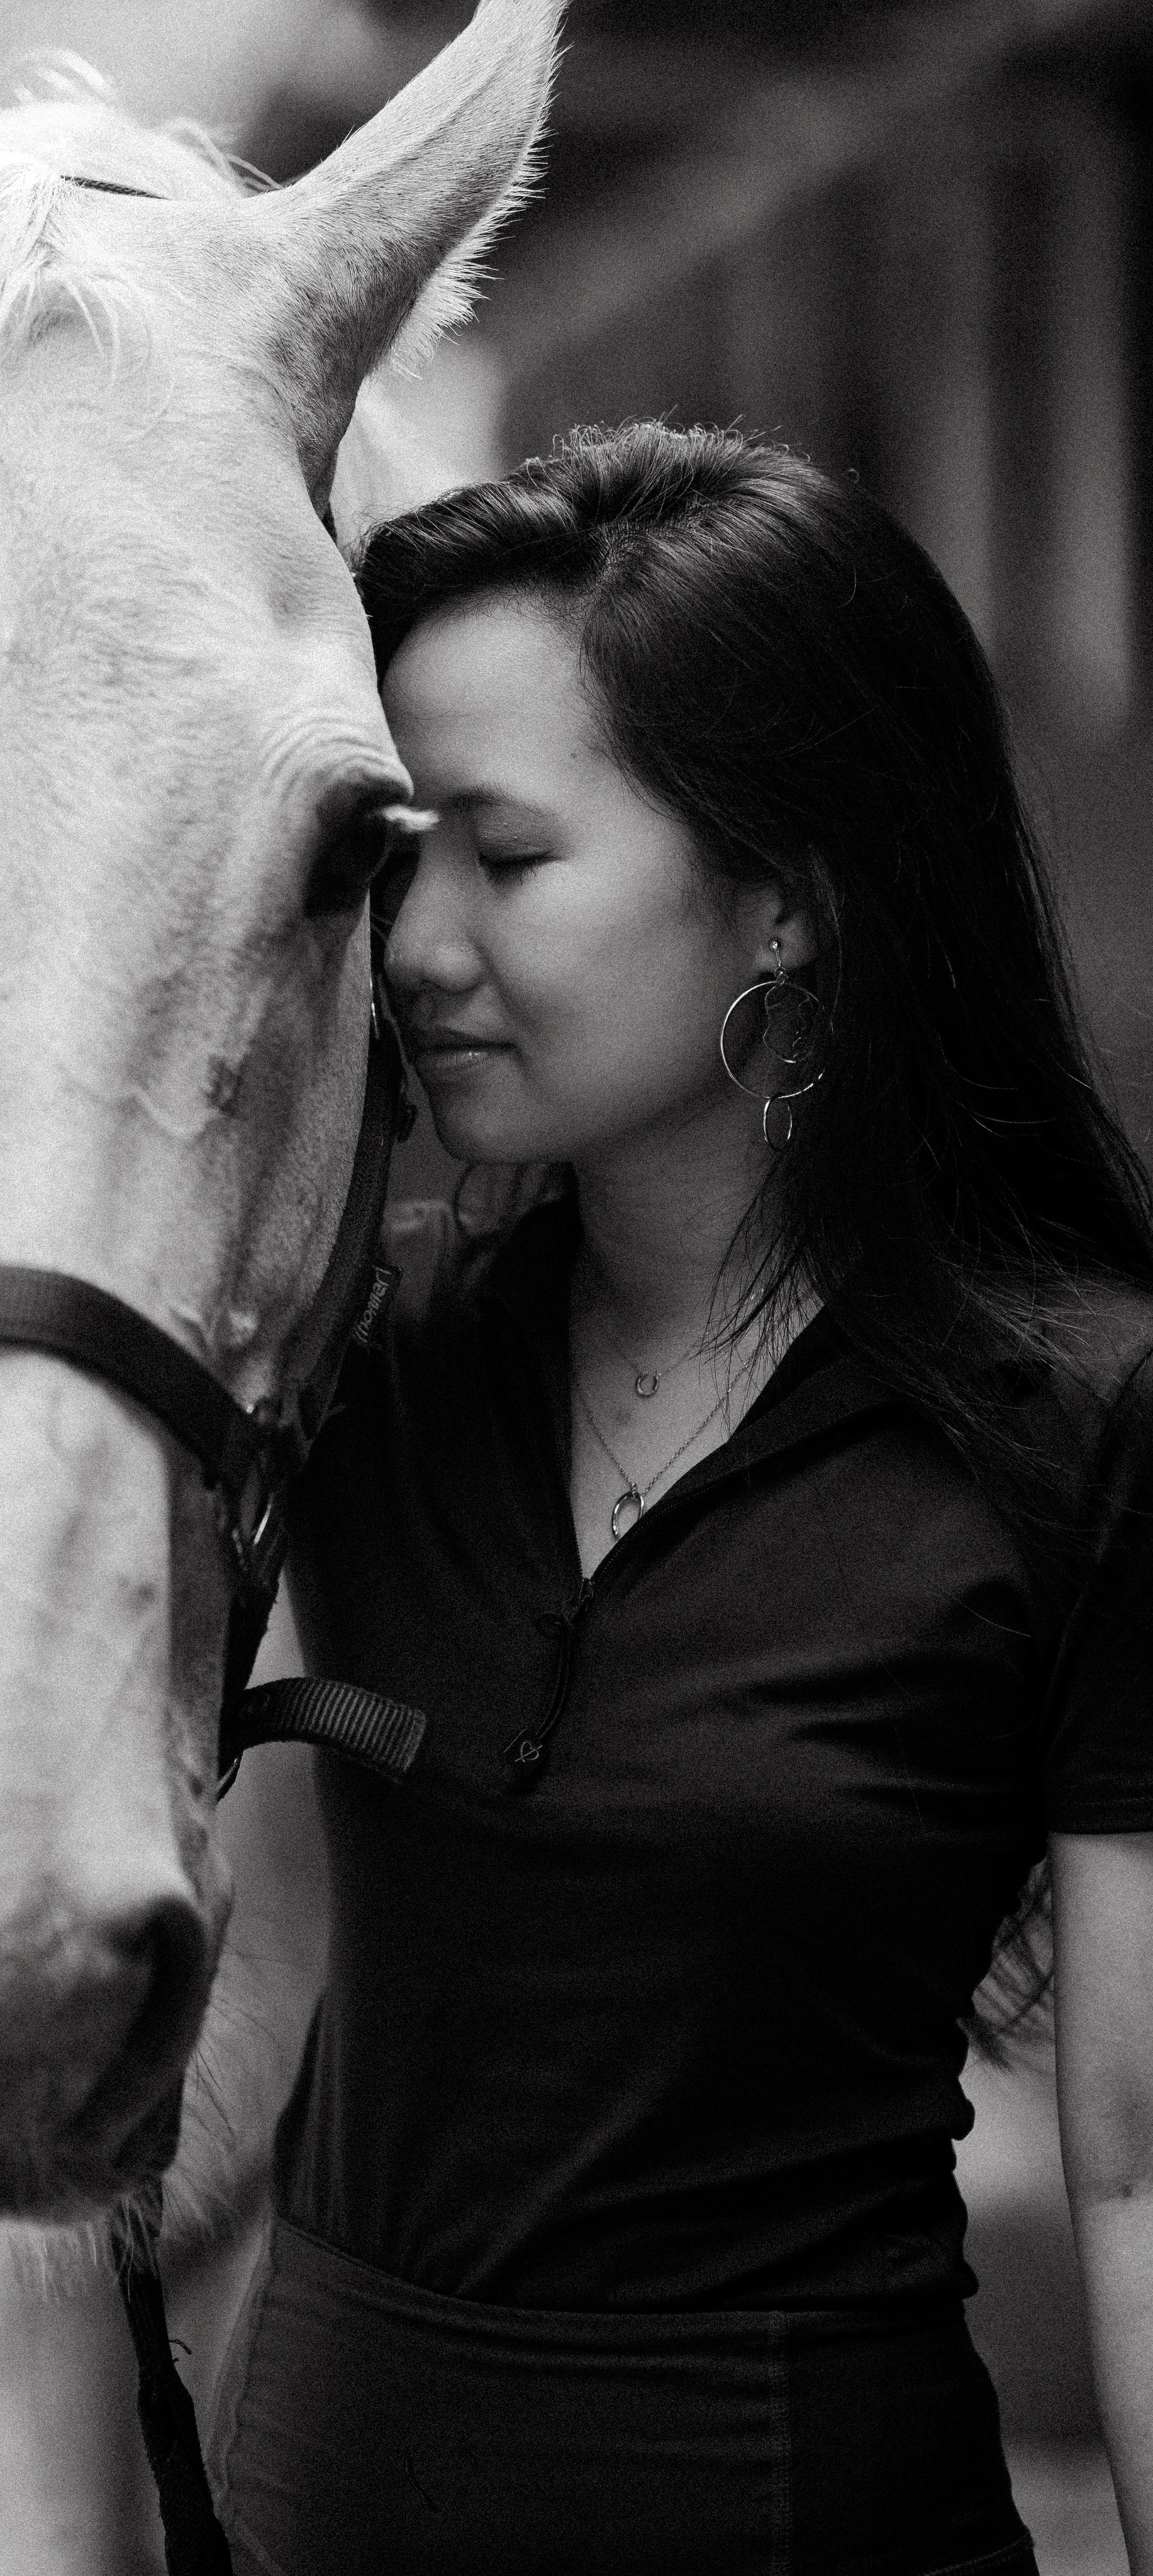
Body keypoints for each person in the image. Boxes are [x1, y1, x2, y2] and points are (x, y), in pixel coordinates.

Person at [205, 423, 1153, 2575]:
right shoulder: (351, 1349)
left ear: (787, 900)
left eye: (510, 860)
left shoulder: (1078, 1421)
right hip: (320, 2509)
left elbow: (1137, 2170)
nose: (415, 946)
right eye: (396, 856)